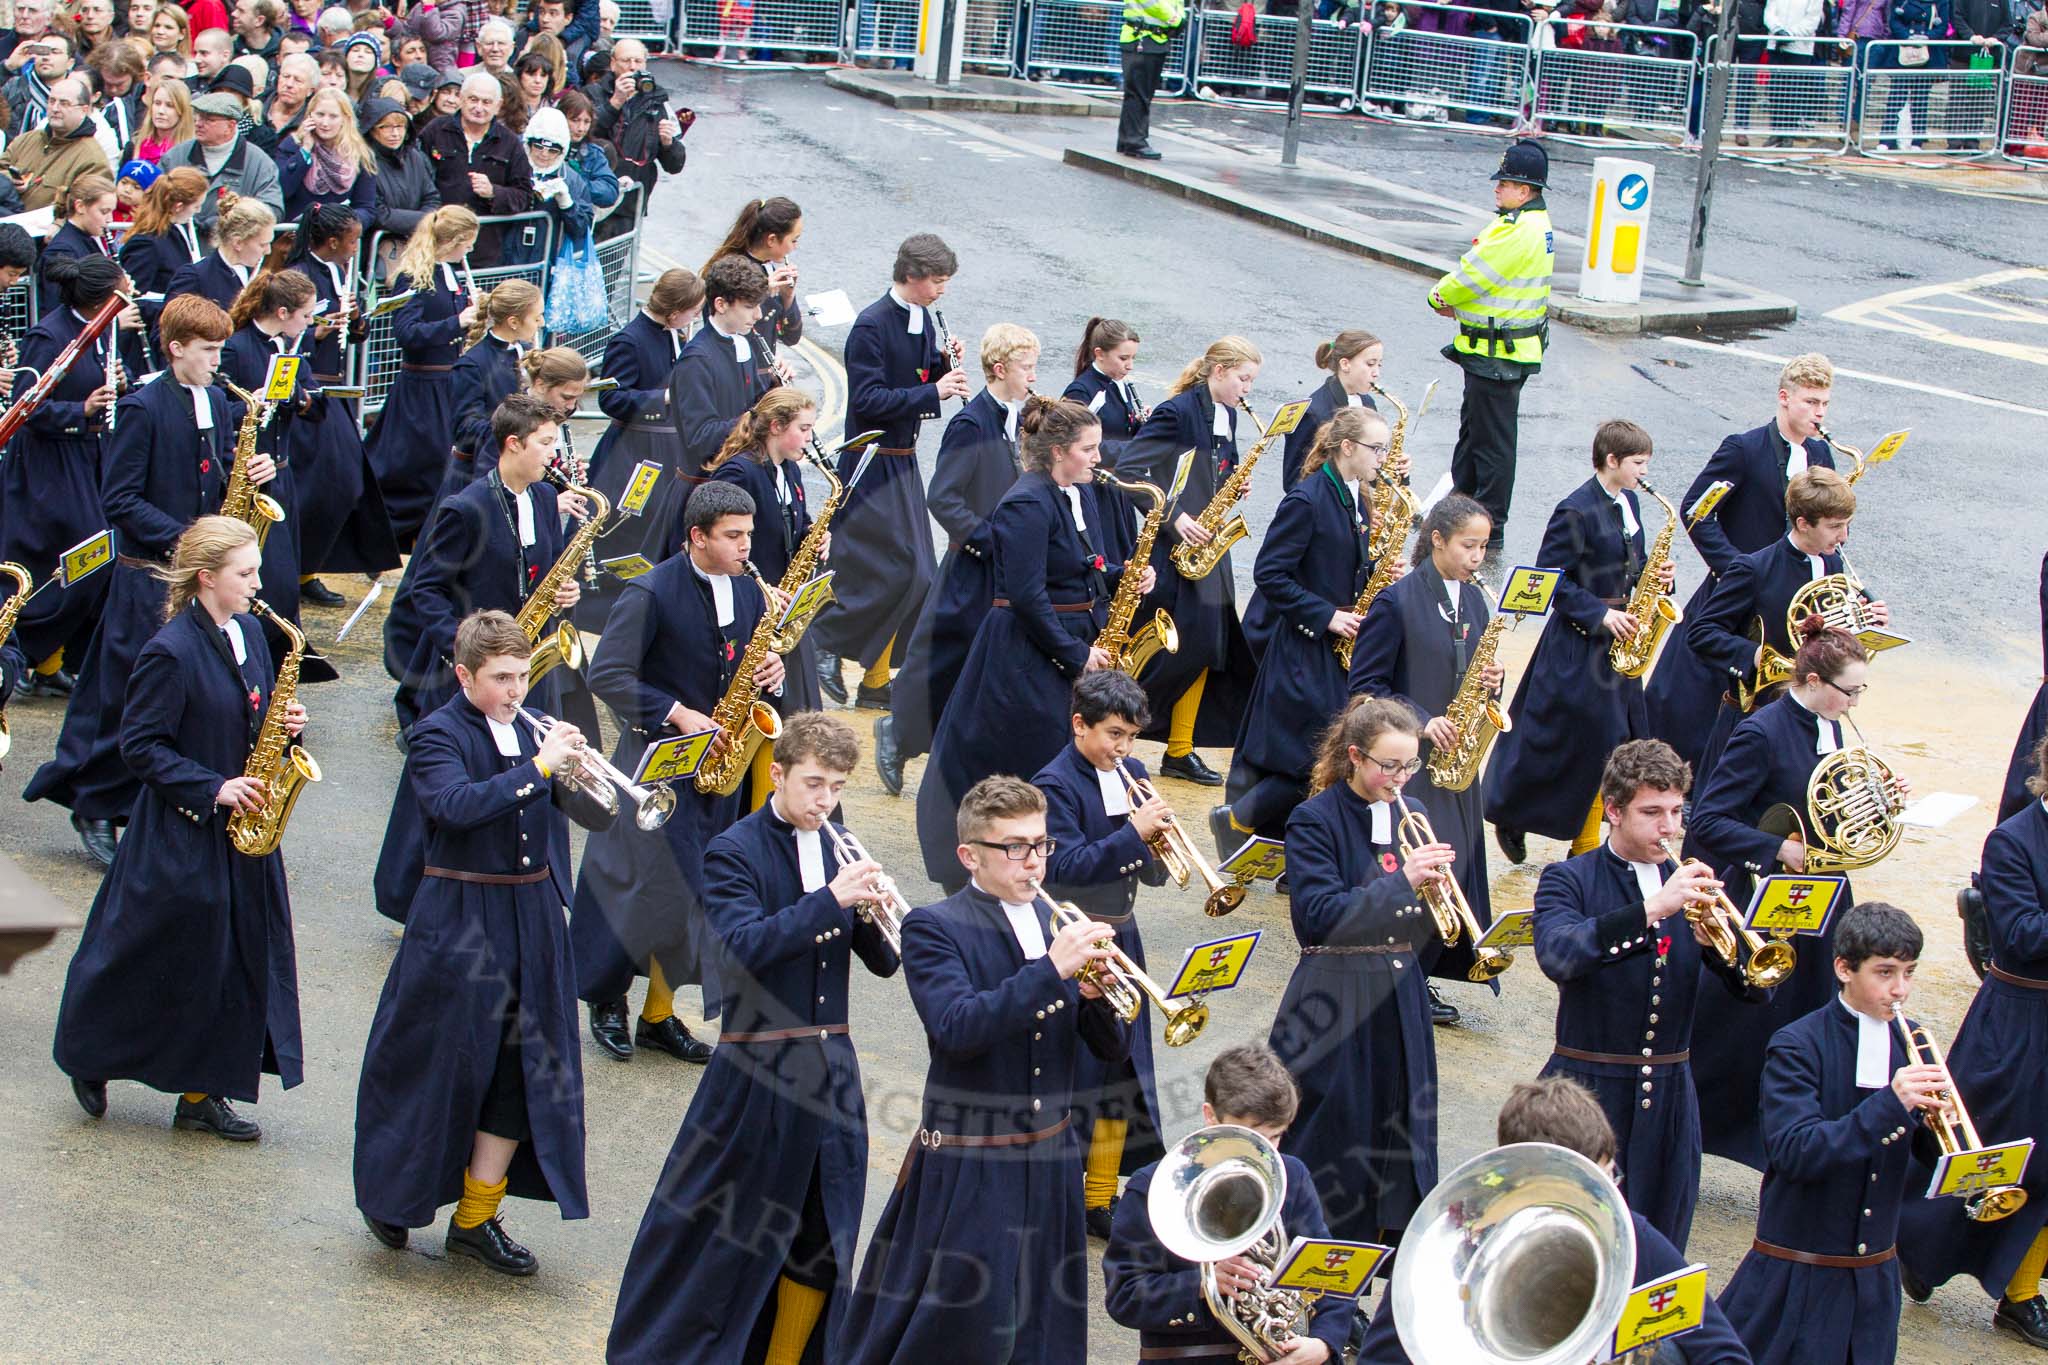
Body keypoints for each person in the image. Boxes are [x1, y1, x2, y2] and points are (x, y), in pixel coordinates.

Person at [607, 712, 901, 1362]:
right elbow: (741, 950)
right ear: (778, 773)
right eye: (814, 783)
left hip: (832, 1069)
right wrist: (831, 899)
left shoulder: (838, 841)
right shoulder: (734, 849)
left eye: (837, 787)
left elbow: (883, 962)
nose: (825, 800)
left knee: (823, 1236)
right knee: (727, 1240)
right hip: (758, 1070)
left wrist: (876, 913)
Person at [353, 608, 613, 1275]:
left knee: (518, 1070)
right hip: (460, 914)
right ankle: (392, 1191)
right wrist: (538, 766)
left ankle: (475, 1216)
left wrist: (580, 767)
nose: (515, 691)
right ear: (465, 674)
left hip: (531, 912)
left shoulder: (534, 729)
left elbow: (596, 815)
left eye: (523, 675)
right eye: (500, 677)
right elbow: (455, 806)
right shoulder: (438, 733)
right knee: (431, 1060)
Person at [839, 775, 1126, 1364]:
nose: (1034, 862)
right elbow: (957, 1029)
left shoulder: (1057, 925)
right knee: (961, 1327)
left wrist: (1097, 999)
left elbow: (1112, 1051)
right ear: (970, 855)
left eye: (1041, 845)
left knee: (1043, 1326)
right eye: (1014, 848)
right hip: (975, 1162)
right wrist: (1053, 971)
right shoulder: (935, 927)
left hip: (1051, 1160)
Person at [53, 515, 308, 1142]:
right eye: (245, 573)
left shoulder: (250, 632)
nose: (257, 582)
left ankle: (201, 1093)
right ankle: (89, 1053)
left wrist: (287, 723)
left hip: (242, 831)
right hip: (180, 831)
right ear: (206, 578)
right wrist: (212, 787)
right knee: (140, 953)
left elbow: (249, 713)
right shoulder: (169, 651)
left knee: (230, 960)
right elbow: (140, 747)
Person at [569, 480, 784, 1066]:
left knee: (694, 894)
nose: (746, 548)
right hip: (653, 768)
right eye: (733, 537)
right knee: (635, 889)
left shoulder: (748, 592)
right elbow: (608, 675)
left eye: (749, 535)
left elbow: (743, 658)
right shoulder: (649, 593)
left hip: (717, 766)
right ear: (697, 537)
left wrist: (772, 670)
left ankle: (658, 1014)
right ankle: (606, 1000)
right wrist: (677, 711)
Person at [25, 294, 243, 866]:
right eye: (208, 351)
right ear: (176, 349)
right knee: (125, 694)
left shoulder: (218, 401)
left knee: (185, 696)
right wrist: (188, 539)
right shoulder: (145, 407)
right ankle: (94, 803)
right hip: (145, 576)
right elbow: (119, 499)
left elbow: (215, 474)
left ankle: (161, 805)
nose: (218, 361)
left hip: (195, 576)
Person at [1532, 738, 1766, 1251]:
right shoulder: (1568, 879)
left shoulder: (1694, 885)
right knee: (1574, 1243)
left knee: (1662, 1242)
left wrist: (1725, 953)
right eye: (1652, 812)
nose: (1670, 827)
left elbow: (1753, 994)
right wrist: (1653, 909)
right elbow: (1559, 955)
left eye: (1678, 811)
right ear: (1613, 811)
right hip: (1587, 1091)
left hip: (1670, 1095)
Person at [915, 397, 1148, 889]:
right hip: (1026, 653)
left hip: (1070, 638)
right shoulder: (1026, 501)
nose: (1098, 459)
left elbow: (1088, 566)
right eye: (1089, 449)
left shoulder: (1077, 494)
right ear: (1060, 450)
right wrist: (1076, 654)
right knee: (1038, 757)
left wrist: (1129, 575)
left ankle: (1061, 858)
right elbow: (1025, 595)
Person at [1355, 1074, 1752, 1362]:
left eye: (1609, 1176)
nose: (1611, 1195)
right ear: (1527, 1176)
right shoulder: (1451, 1242)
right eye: (1593, 1183)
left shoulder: (1627, 1232)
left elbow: (1724, 1355)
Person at [1686, 623, 1893, 1170]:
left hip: (1822, 902)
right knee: (1736, 1029)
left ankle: (1787, 1141)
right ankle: (1686, 1128)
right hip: (1770, 898)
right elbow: (1708, 820)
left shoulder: (1832, 727)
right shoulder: (1763, 731)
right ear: (1815, 680)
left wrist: (1876, 800)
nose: (1855, 703)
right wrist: (1778, 849)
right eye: (1850, 691)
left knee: (1806, 1022)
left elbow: (1830, 805)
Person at [1717, 903, 1941, 1363]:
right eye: (1885, 972)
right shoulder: (1797, 1045)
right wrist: (1892, 1106)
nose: (1900, 990)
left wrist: (1944, 1131)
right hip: (1801, 1272)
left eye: (1909, 973)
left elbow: (1919, 1150)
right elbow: (1796, 1151)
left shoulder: (1911, 1039)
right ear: (1843, 969)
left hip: (1874, 1279)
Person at [1266, 695, 1450, 1251]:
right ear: (1354, 756)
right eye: (1387, 765)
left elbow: (1420, 926)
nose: (1399, 778)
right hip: (1335, 993)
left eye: (1409, 766)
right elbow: (1318, 918)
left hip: (1400, 995)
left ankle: (1359, 1284)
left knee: (1394, 1143)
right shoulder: (1313, 819)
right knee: (1332, 1144)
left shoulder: (1409, 814)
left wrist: (1434, 900)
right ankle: (1313, 1280)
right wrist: (1403, 886)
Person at [1899, 734, 2048, 1347]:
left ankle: (2020, 1293)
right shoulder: (2012, 840)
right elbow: (2020, 935)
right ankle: (1917, 1247)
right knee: (1987, 1150)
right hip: (2019, 1019)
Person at [1347, 493, 1500, 1023]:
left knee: (1452, 868)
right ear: (1436, 539)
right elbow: (1365, 688)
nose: (1477, 557)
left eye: (1483, 547)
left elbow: (1470, 668)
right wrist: (1419, 718)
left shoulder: (1475, 602)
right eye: (1468, 546)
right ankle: (1400, 977)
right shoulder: (1395, 602)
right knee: (1415, 871)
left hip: (1456, 766)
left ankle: (1422, 973)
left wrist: (1489, 685)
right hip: (1408, 769)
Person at [1103, 1042, 1355, 1362]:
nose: (1266, 1153)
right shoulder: (1154, 1187)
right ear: (1211, 1115)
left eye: (1276, 1136)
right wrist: (1203, 1284)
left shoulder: (1291, 1176)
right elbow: (1125, 1296)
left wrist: (1323, 1343)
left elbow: (1328, 1275)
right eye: (1251, 1135)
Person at [1487, 419, 1668, 864]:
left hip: (1619, 645)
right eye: (1638, 463)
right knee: (1560, 741)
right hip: (1578, 644)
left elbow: (1633, 564)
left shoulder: (1630, 505)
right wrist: (1601, 613)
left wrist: (1658, 578)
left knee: (1618, 740)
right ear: (1612, 460)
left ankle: (1585, 845)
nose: (1644, 472)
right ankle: (1515, 813)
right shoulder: (1576, 511)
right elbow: (1551, 583)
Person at [1034, 670, 1174, 1236]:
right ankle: (1064, 1193)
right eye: (1113, 734)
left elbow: (1156, 872)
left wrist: (1161, 843)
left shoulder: (1132, 774)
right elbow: (1063, 868)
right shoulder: (1054, 784)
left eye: (1131, 737)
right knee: (1080, 1072)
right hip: (1075, 936)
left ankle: (1100, 1198)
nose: (1123, 748)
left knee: (1123, 1070)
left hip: (1123, 932)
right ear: (1079, 725)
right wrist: (1134, 837)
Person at [1649, 354, 1837, 768]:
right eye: (1810, 402)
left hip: (1788, 603)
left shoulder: (1823, 456)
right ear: (1784, 398)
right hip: (1736, 591)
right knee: (1693, 698)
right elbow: (1698, 510)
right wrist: (1735, 567)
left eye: (1824, 403)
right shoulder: (1745, 449)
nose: (1819, 413)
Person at [877, 321, 1037, 796]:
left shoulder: (1021, 416)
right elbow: (943, 498)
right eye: (1026, 367)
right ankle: (897, 734)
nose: (1033, 375)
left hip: (1006, 566)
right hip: (971, 566)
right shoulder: (971, 423)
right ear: (1000, 368)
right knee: (940, 660)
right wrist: (988, 540)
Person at [1217, 406, 1388, 852]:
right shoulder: (1307, 499)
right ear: (1347, 447)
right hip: (1305, 645)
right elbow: (1270, 574)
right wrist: (1326, 615)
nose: (1382, 458)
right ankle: (1234, 822)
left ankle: (1289, 855)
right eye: (1376, 448)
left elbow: (1337, 564)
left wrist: (1378, 571)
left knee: (1319, 754)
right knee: (1311, 755)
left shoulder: (1354, 494)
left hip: (1336, 644)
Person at [812, 233, 967, 708]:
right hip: (870, 463)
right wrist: (935, 391)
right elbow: (868, 399)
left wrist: (940, 364)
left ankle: (875, 680)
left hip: (901, 461)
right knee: (896, 571)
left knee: (918, 574)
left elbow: (912, 376)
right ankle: (823, 639)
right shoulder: (871, 325)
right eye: (937, 281)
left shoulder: (921, 317)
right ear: (913, 276)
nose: (941, 290)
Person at [1114, 335, 1263, 788]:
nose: (1247, 389)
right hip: (1174, 545)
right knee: (1170, 650)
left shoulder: (1228, 415)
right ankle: (1117, 738)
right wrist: (1174, 520)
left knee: (1210, 649)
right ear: (1218, 372)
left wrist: (1232, 487)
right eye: (1243, 378)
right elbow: (1130, 471)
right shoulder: (1176, 412)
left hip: (1211, 547)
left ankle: (1180, 750)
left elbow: (1217, 467)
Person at [1682, 466, 1881, 790]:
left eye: (1846, 525)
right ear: (1802, 523)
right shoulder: (1753, 568)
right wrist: (1754, 656)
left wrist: (1866, 625)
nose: (1843, 537)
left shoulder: (1831, 564)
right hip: (1755, 713)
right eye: (1834, 527)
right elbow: (1702, 632)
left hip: (1817, 711)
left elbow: (1830, 638)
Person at [0, 255, 143, 699]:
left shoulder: (106, 330)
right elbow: (30, 407)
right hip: (49, 462)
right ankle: (24, 650)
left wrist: (121, 384)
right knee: (80, 555)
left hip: (87, 456)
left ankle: (50, 658)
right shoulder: (51, 335)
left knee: (96, 555)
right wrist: (80, 410)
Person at [1426, 138, 1554, 550]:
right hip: (1493, 349)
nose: (1497, 188)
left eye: (1506, 182)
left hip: (1499, 352)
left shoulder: (1518, 231)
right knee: (1475, 435)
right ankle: (1462, 506)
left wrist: (1439, 298)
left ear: (1526, 190)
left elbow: (1474, 276)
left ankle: (1489, 523)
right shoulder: (1526, 225)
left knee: (1492, 443)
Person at [280, 202, 399, 597]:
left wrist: (356, 322)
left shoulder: (340, 272)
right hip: (312, 390)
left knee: (345, 482)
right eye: (351, 241)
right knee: (323, 484)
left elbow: (352, 331)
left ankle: (310, 567)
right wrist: (317, 333)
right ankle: (297, 568)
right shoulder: (298, 276)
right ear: (331, 241)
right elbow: (290, 334)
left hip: (335, 389)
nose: (355, 248)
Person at [361, 205, 478, 550]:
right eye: (467, 243)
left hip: (448, 382)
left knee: (442, 463)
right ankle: (389, 533)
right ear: (453, 240)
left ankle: (425, 531)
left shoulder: (449, 273)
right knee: (412, 465)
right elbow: (406, 333)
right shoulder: (413, 275)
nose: (469, 250)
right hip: (421, 387)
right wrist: (457, 323)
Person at [708, 387, 825, 726]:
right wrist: (758, 590)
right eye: (803, 429)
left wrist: (814, 534)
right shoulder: (739, 473)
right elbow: (719, 546)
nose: (809, 437)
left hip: (783, 610)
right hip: (753, 607)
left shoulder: (790, 470)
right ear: (776, 427)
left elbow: (794, 524)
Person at [215, 268, 317, 639]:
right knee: (263, 573)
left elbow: (314, 403)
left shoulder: (289, 349)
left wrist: (297, 397)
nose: (309, 322)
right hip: (250, 475)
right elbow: (218, 412)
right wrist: (249, 404)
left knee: (285, 575)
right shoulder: (236, 347)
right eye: (305, 315)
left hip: (281, 470)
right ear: (283, 313)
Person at [438, 279, 544, 500]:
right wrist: (515, 427)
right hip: (477, 474)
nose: (541, 323)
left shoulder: (523, 351)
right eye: (536, 318)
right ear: (514, 321)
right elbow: (465, 428)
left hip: (514, 464)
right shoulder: (472, 364)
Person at [670, 253, 771, 480]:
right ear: (721, 304)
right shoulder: (696, 360)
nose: (758, 314)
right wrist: (757, 419)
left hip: (739, 473)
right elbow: (700, 436)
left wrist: (775, 390)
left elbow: (753, 400)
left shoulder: (742, 342)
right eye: (749, 306)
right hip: (706, 483)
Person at [415, 71, 533, 265]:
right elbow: (417, 180)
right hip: (436, 246)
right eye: (473, 99)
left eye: (486, 102)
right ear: (461, 99)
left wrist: (494, 192)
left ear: (498, 105)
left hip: (484, 252)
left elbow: (524, 195)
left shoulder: (510, 143)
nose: (479, 108)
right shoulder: (435, 131)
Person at [159, 89, 284, 236]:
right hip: (180, 245)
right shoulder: (175, 156)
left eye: (209, 119)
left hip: (233, 251)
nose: (199, 123)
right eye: (198, 117)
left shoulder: (260, 164)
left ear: (230, 126)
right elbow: (153, 198)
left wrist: (229, 221)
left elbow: (272, 210)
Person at [702, 193, 803, 357]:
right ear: (771, 240)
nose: (795, 247)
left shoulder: (769, 270)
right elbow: (730, 334)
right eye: (794, 240)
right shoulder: (731, 272)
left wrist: (788, 297)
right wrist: (762, 294)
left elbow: (791, 337)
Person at [1282, 329, 1381, 490]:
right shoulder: (1313, 412)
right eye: (1370, 364)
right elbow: (1294, 481)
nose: (1376, 373)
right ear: (1345, 364)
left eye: (1379, 364)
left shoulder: (1367, 403)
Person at [115, 163, 205, 336]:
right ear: (178, 206)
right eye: (196, 207)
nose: (198, 211)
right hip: (154, 332)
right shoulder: (147, 243)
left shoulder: (177, 230)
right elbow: (133, 297)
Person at [2, 76, 112, 214]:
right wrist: (8, 180)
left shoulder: (93, 160)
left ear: (84, 110)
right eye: (51, 101)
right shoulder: (26, 140)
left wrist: (58, 223)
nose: (55, 108)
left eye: (64, 103)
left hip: (46, 233)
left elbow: (86, 209)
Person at [272, 84, 376, 227]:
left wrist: (343, 222)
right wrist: (305, 151)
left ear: (345, 119)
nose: (325, 123)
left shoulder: (361, 155)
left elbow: (366, 208)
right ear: (309, 115)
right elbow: (281, 191)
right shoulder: (291, 145)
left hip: (336, 237)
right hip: (294, 234)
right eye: (320, 115)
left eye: (333, 116)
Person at [504, 105, 591, 267]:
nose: (544, 154)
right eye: (538, 146)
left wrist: (567, 204)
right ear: (528, 143)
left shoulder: (572, 180)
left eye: (552, 150)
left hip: (548, 263)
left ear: (562, 151)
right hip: (507, 258)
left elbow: (582, 230)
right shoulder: (512, 167)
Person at [162, 191, 273, 310]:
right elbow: (167, 326)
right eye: (263, 245)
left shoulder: (256, 276)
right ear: (238, 243)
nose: (268, 251)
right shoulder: (195, 278)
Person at [33, 170, 120, 317]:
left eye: (112, 211)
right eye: (104, 211)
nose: (110, 219)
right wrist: (114, 320)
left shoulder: (88, 240)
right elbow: (58, 309)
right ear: (80, 207)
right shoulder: (61, 251)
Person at [1062, 315, 1147, 462]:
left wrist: (1141, 426)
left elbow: (1121, 432)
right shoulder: (1080, 391)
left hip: (1122, 468)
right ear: (1099, 354)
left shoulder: (1120, 384)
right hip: (1095, 477)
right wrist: (1137, 448)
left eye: (1133, 358)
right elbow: (1078, 444)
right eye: (1123, 358)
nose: (1130, 366)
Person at [1116, 0, 1184, 159]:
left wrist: (1178, 18)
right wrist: (1176, 19)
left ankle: (1127, 139)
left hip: (1153, 37)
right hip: (1143, 35)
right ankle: (1135, 142)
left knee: (1138, 92)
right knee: (1139, 93)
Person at [251, 50, 313, 152]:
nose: (289, 84)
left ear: (310, 90)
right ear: (278, 78)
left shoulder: (311, 122)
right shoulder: (254, 108)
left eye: (298, 80)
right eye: (286, 76)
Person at [127, 76, 194, 165]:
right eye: (157, 103)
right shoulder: (134, 145)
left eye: (170, 105)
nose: (161, 111)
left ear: (182, 110)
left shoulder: (191, 152)